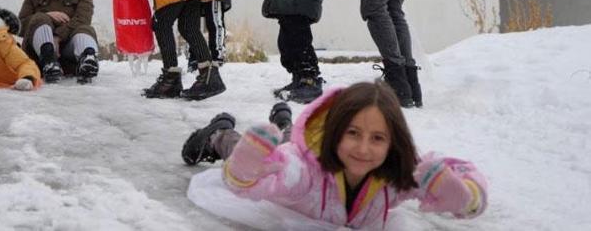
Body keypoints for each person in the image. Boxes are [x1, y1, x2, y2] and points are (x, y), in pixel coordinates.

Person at [181, 81, 488, 229]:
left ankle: (285, 120)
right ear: (335, 129)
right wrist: (246, 169)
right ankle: (218, 134)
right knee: (254, 150)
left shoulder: (395, 177)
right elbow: (262, 179)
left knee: (285, 137)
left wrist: (467, 196)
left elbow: (457, 173)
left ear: (393, 142)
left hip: (305, 148)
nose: (364, 149)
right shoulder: (300, 173)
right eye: (352, 133)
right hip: (289, 157)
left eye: (378, 138)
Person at [18, 0, 100, 84]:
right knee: (40, 18)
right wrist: (47, 15)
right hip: (39, 57)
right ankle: (49, 61)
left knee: (85, 29)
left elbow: (82, 19)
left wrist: (58, 37)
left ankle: (88, 60)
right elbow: (21, 25)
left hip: (69, 52)